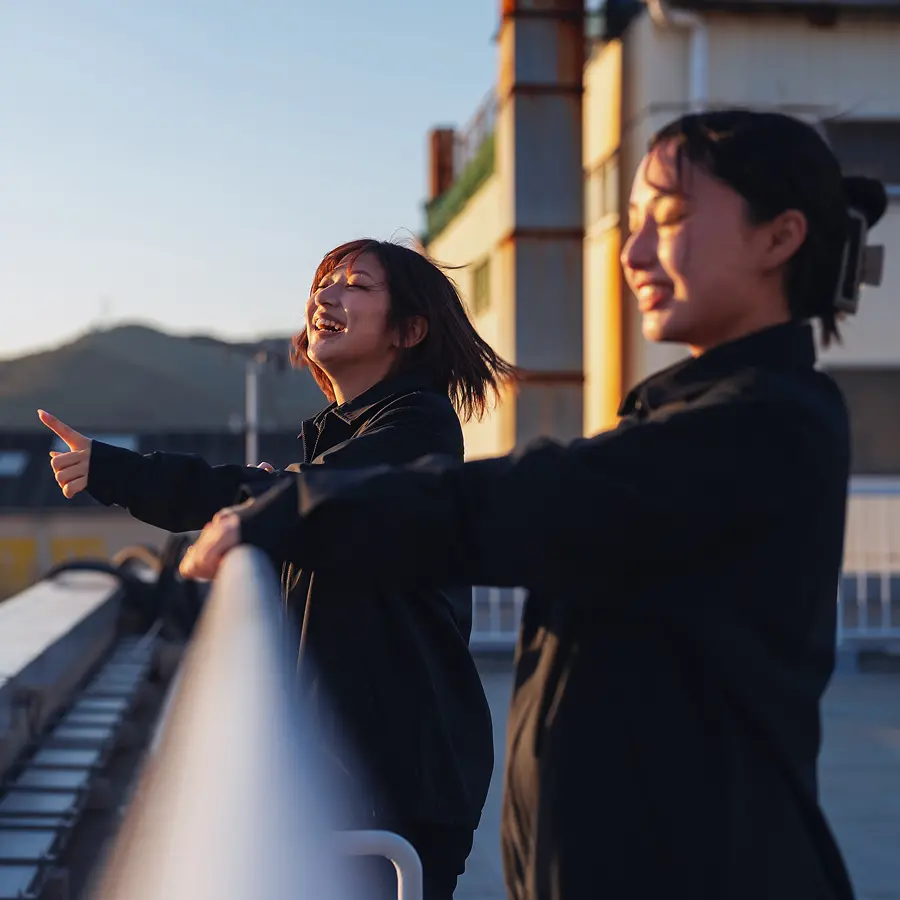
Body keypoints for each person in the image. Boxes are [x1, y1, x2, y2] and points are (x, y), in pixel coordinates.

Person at [179, 111, 888, 900]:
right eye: (635, 222)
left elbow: (521, 500)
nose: (634, 251)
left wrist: (289, 509)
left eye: (673, 217)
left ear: (778, 238)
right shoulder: (694, 415)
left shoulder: (763, 423)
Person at [41, 237, 517, 900]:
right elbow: (281, 495)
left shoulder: (418, 424)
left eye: (356, 285)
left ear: (410, 330)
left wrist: (124, 472)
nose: (325, 295)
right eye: (324, 282)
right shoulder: (346, 438)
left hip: (394, 787)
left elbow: (292, 496)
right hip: (355, 773)